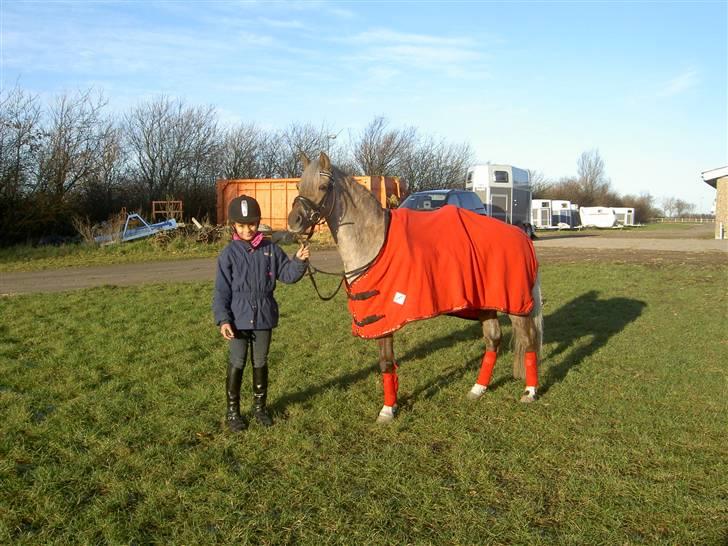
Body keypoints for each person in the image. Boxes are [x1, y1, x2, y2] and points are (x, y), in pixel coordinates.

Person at [212, 195, 310, 432]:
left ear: (258, 223)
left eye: (252, 224)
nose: (248, 229)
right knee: (237, 362)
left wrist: (298, 261)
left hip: (264, 315)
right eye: (242, 225)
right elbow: (221, 291)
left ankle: (260, 409)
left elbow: (287, 275)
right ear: (233, 225)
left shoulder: (271, 250)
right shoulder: (228, 254)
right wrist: (224, 319)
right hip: (237, 318)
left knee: (261, 362)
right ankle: (233, 412)